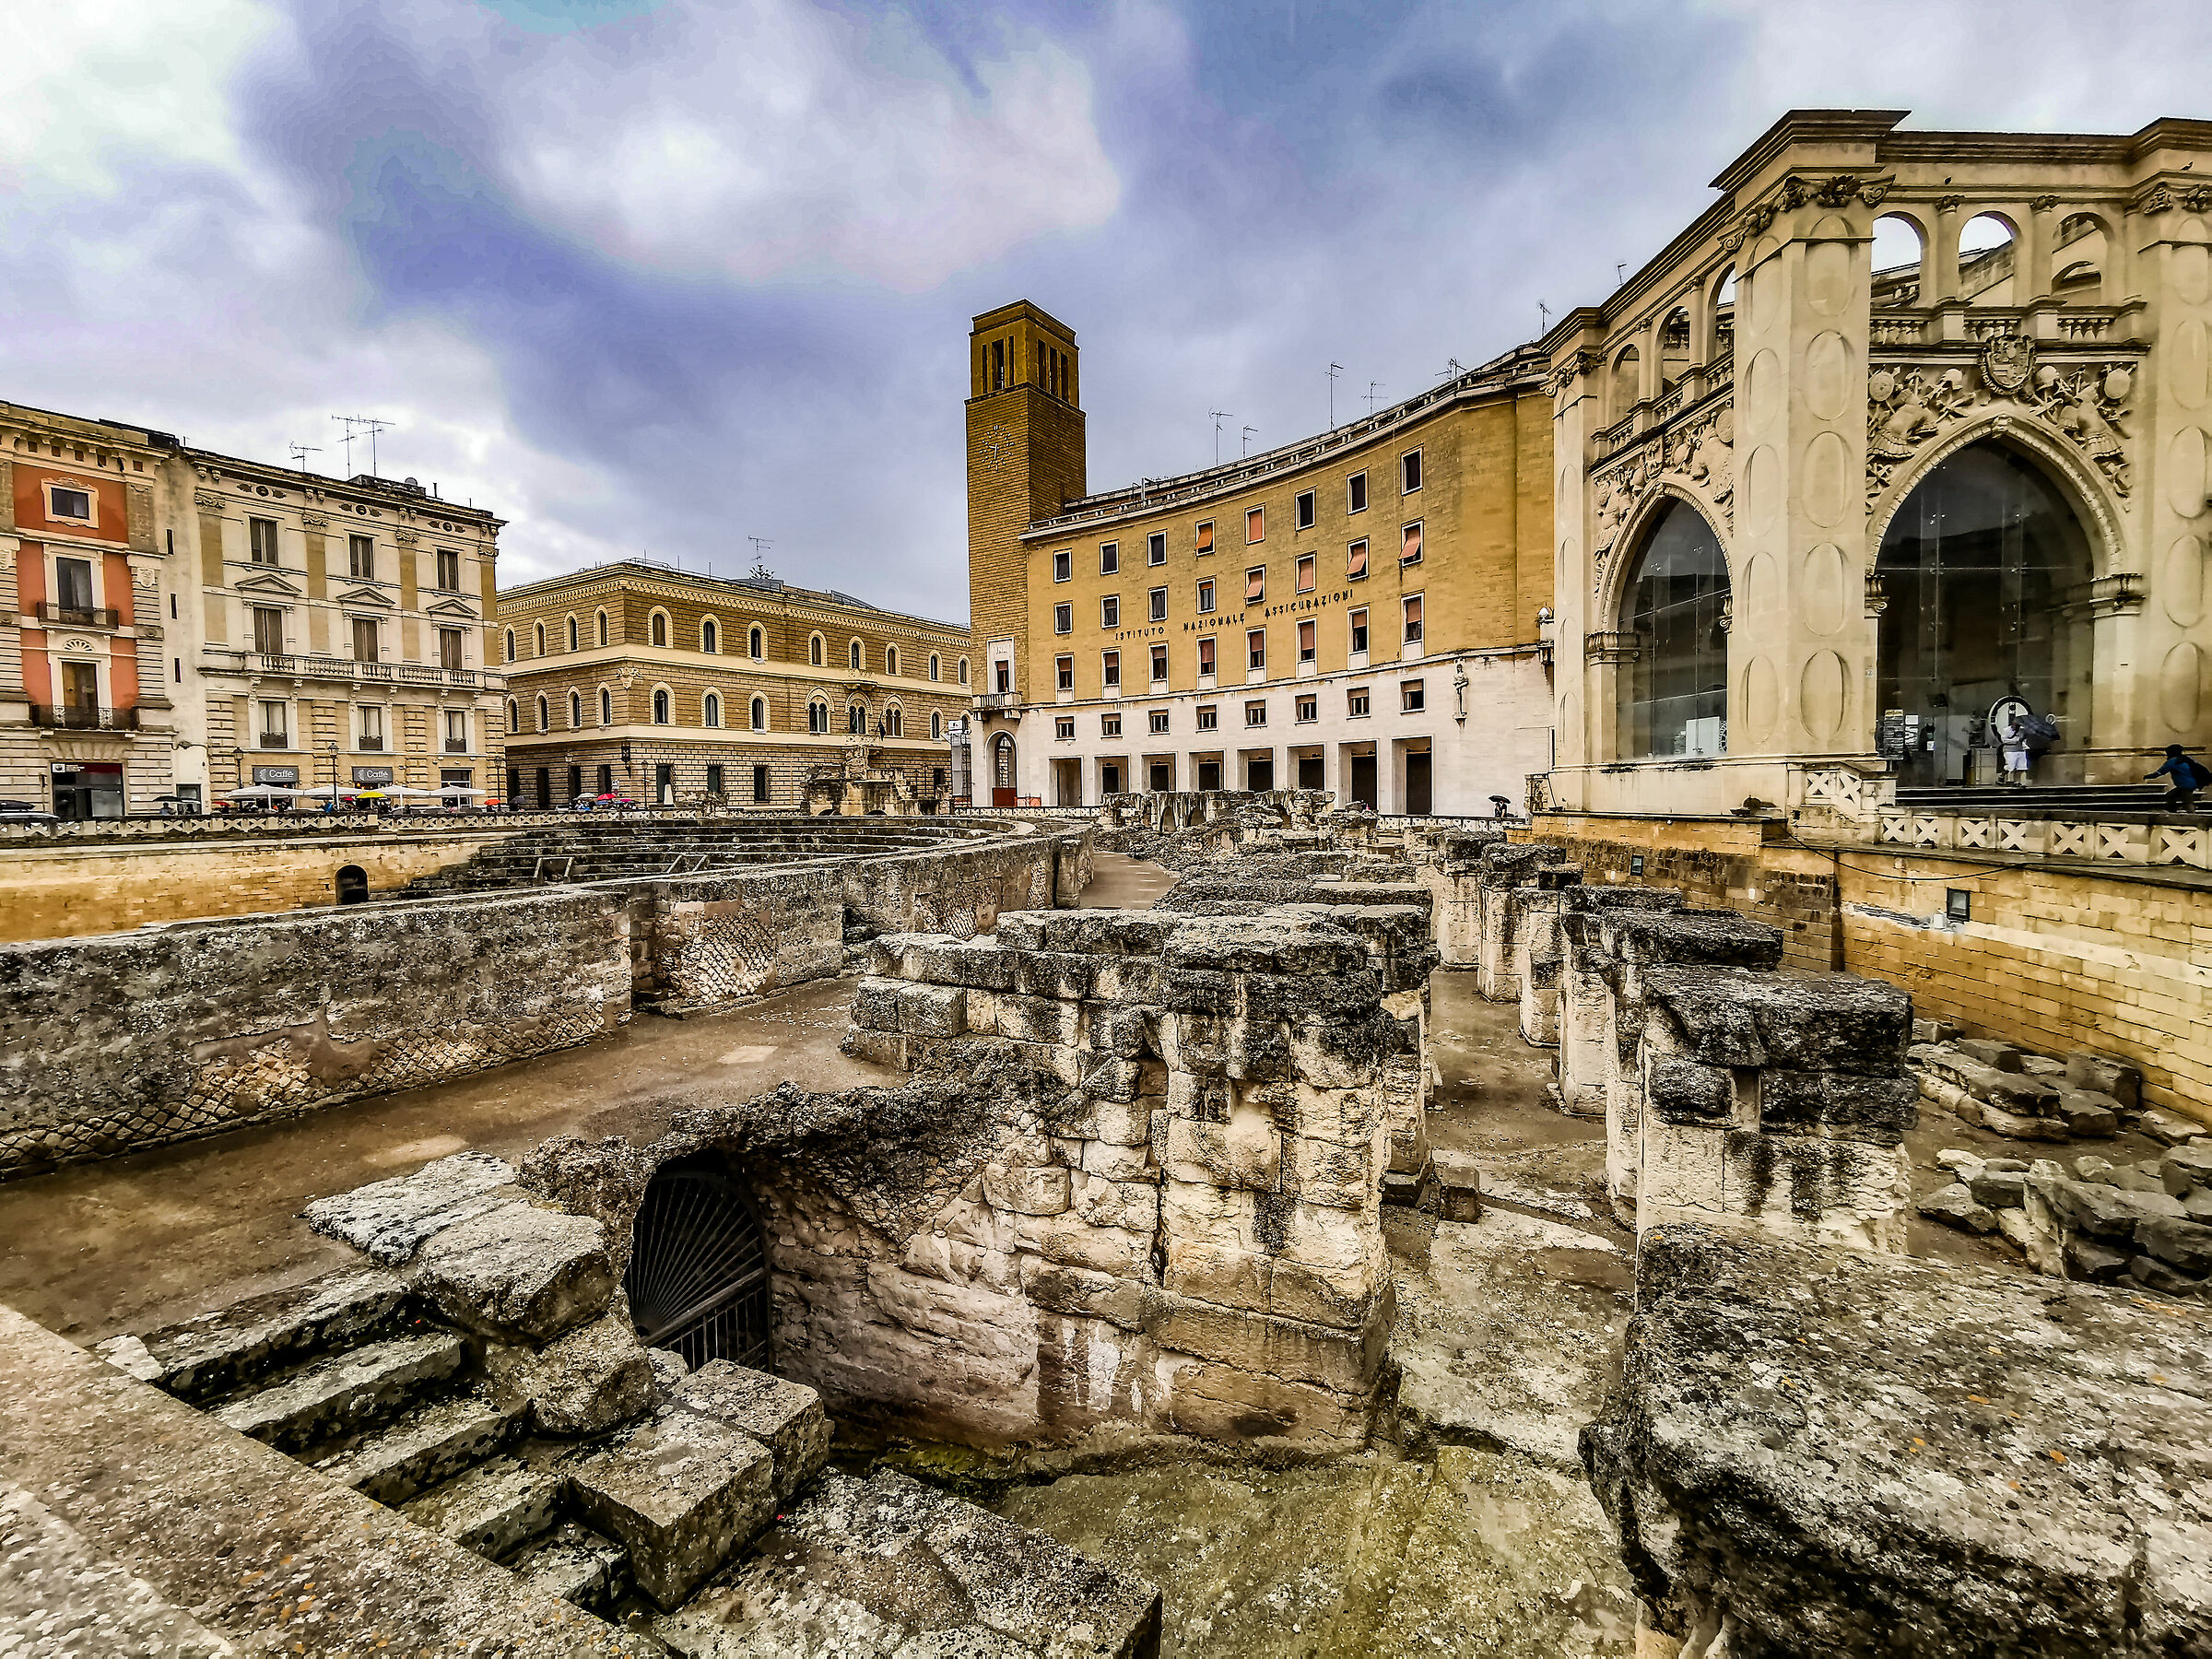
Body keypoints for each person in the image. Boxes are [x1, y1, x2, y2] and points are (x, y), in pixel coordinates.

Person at [2147, 744, 2209, 811]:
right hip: (2190, 783)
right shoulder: (2186, 758)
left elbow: (2160, 772)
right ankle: (2172, 811)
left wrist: (2148, 776)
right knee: (2170, 796)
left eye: (2167, 753)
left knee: (2187, 802)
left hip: (2186, 785)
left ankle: (2192, 816)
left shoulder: (2173, 761)